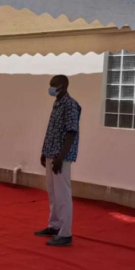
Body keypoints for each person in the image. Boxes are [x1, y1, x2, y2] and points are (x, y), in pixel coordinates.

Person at [35, 75, 81, 247]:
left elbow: (71, 132)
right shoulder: (57, 103)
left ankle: (65, 233)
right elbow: (51, 130)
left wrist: (61, 157)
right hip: (51, 154)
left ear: (63, 86)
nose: (51, 88)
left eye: (54, 85)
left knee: (62, 195)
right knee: (53, 193)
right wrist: (44, 152)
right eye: (50, 85)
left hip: (61, 157)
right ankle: (54, 226)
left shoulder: (70, 105)